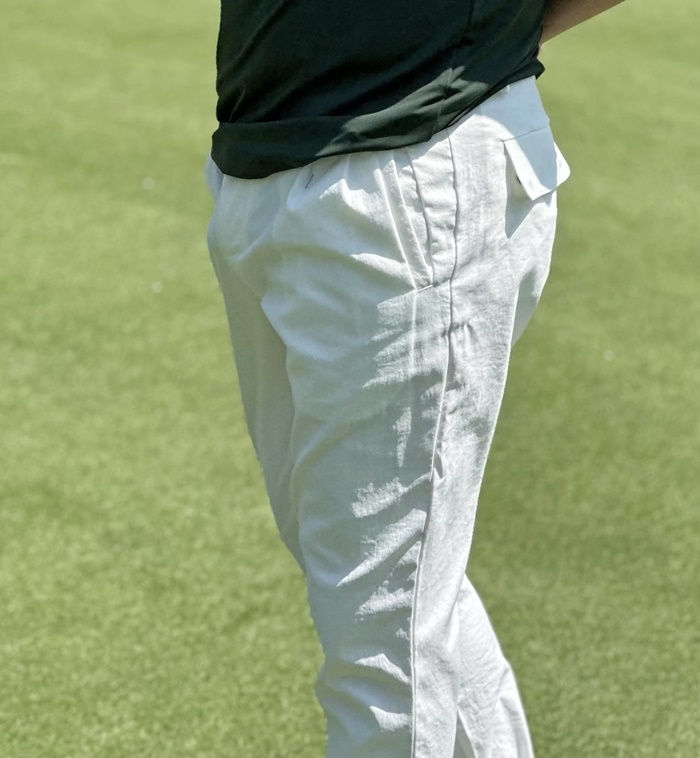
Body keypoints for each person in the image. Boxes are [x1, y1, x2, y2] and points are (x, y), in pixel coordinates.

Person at [205, 1, 625, 755]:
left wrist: (489, 38)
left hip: (407, 168)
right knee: (386, 587)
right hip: (268, 158)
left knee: (383, 632)